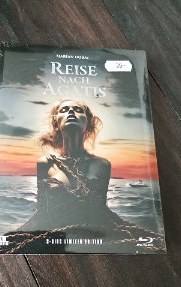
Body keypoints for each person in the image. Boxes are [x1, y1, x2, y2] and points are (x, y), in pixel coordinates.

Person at [18, 99, 124, 231]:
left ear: (88, 124)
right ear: (56, 124)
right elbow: (41, 212)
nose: (71, 112)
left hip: (91, 233)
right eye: (64, 110)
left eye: (78, 110)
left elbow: (100, 211)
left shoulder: (102, 165)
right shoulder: (45, 163)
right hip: (55, 234)